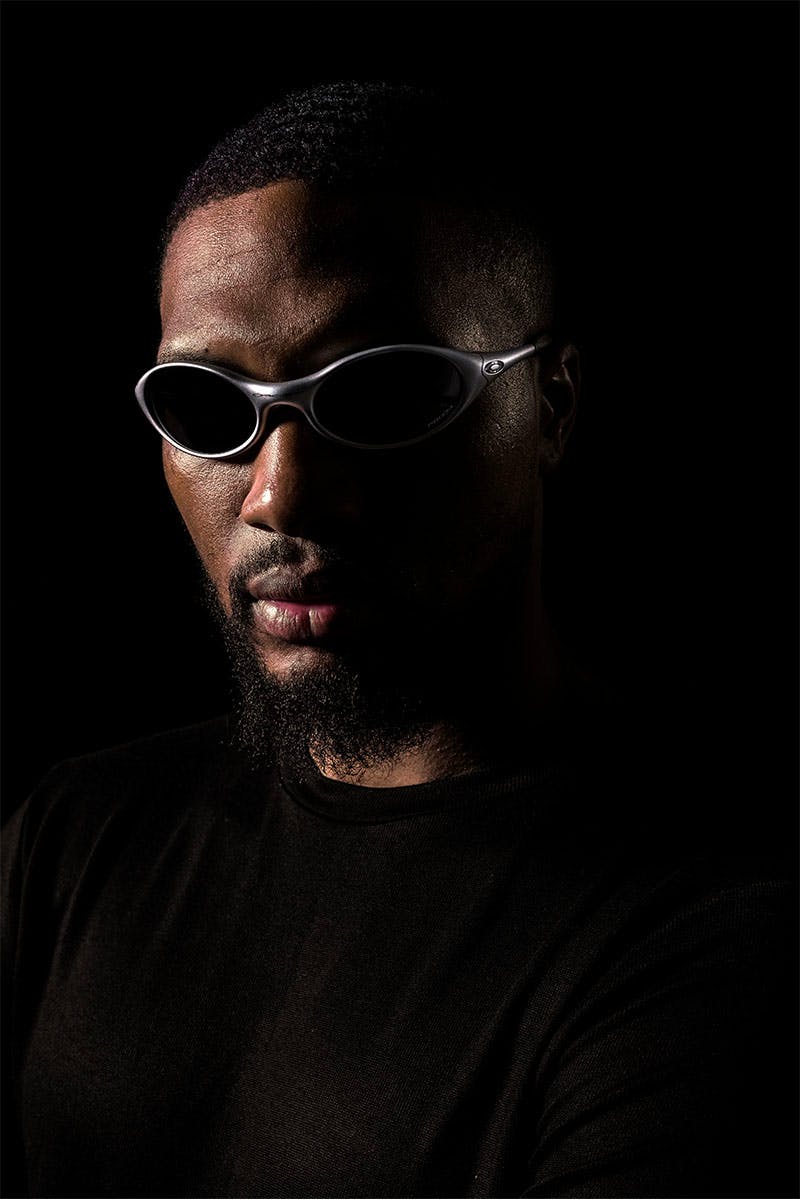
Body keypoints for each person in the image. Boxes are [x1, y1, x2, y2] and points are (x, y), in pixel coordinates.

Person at [2, 80, 795, 1198]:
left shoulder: (705, 931)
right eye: (208, 408)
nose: (280, 493)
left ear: (552, 405)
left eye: (379, 393)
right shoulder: (78, 835)